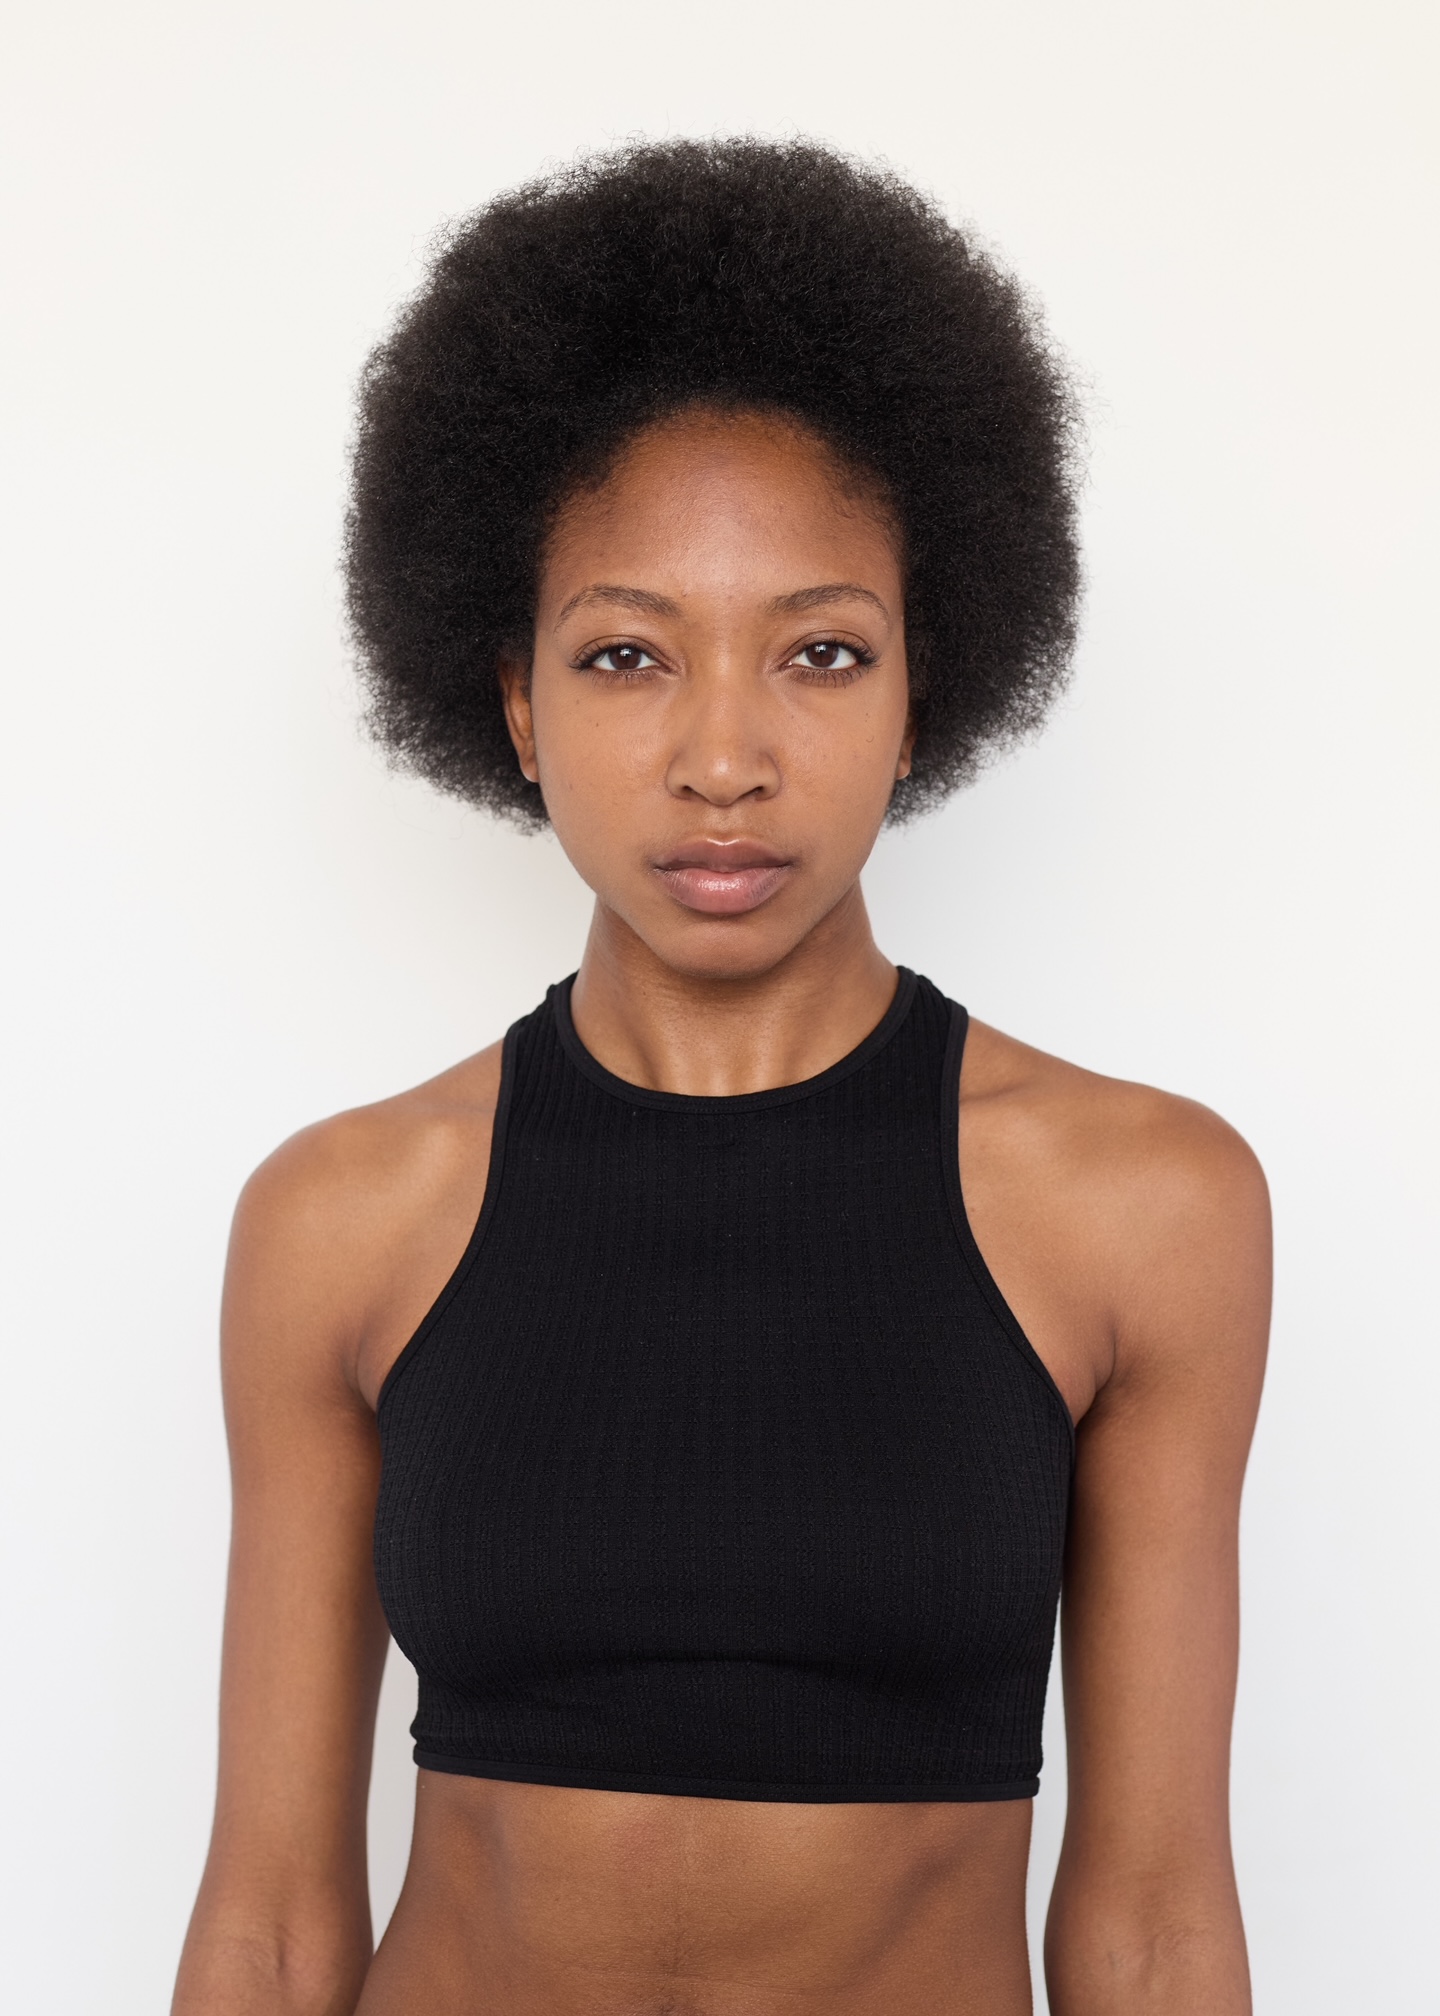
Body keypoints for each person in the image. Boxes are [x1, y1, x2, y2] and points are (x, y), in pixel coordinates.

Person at [172, 138, 1270, 2016]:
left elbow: (1158, 1923)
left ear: (921, 692)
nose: (724, 759)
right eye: (626, 656)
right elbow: (271, 1924)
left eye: (821, 652)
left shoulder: (1142, 1208)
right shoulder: (343, 1218)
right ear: (514, 703)